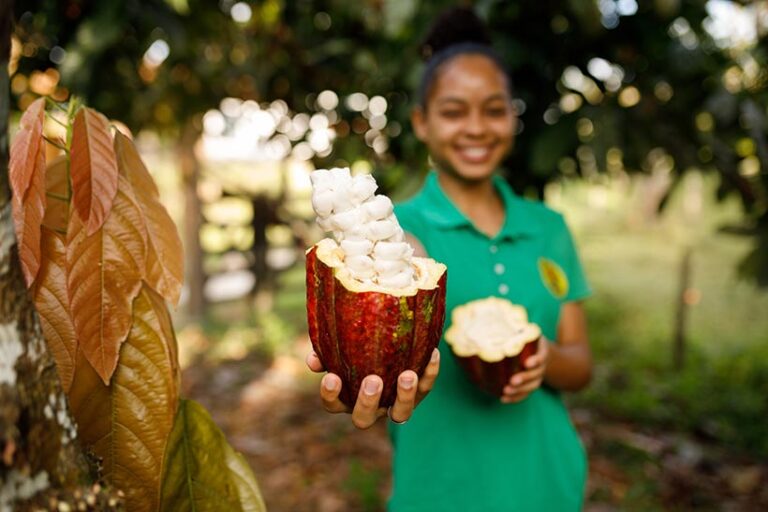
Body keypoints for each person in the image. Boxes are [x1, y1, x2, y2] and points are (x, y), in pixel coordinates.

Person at [308, 7, 593, 511]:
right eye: (454, 111)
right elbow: (398, 272)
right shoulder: (398, 237)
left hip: (550, 485)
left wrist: (543, 358)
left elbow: (581, 365)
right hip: (439, 494)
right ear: (421, 122)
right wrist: (356, 372)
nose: (476, 128)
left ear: (513, 114)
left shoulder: (550, 229)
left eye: (493, 109)